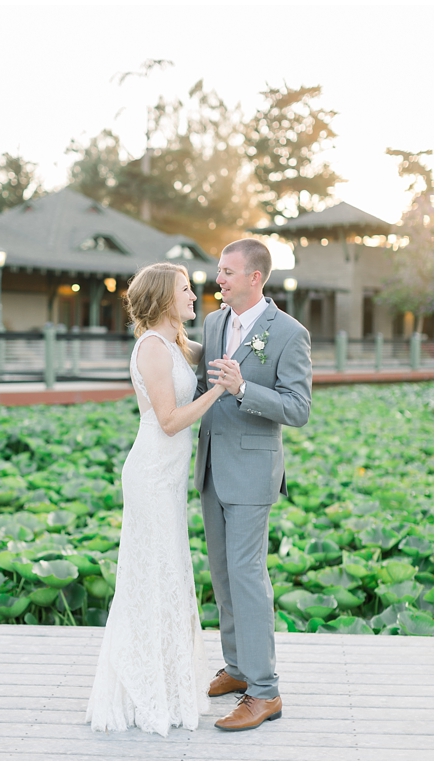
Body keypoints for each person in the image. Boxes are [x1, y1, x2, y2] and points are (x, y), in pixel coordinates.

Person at [86, 262, 225, 736]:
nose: (194, 295)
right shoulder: (150, 348)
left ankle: (169, 681)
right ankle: (144, 688)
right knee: (151, 574)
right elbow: (168, 420)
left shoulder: (175, 343)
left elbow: (222, 350)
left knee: (170, 572)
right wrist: (220, 392)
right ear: (165, 298)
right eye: (186, 290)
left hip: (168, 477)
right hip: (150, 475)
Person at [194, 238, 311, 731]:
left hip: (252, 474)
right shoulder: (214, 322)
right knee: (222, 575)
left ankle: (265, 692)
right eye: (218, 270)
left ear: (254, 277)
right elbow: (202, 389)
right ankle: (239, 668)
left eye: (226, 271)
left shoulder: (288, 333)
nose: (217, 278)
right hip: (211, 468)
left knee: (247, 578)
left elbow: (298, 409)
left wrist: (244, 388)